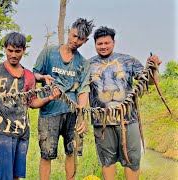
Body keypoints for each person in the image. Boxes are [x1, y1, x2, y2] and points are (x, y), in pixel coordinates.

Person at [0, 32, 61, 180]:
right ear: (5, 48)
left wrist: (50, 98)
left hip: (22, 132)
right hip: (1, 132)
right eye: (10, 50)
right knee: (0, 176)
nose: (13, 55)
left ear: (23, 50)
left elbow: (32, 102)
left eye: (18, 51)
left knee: (16, 176)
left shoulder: (29, 76)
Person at [88, 26, 162, 180]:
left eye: (106, 43)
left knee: (132, 160)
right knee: (107, 161)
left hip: (129, 119)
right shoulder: (87, 65)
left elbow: (149, 82)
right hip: (102, 122)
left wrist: (153, 68)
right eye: (99, 44)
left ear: (113, 42)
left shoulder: (129, 61)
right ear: (95, 44)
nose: (103, 46)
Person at [33, 18, 94, 180]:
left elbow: (83, 90)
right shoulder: (48, 53)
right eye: (74, 36)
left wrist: (82, 117)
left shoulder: (83, 63)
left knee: (71, 152)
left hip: (72, 113)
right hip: (49, 112)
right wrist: (42, 77)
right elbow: (34, 74)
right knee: (46, 154)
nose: (76, 41)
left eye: (80, 39)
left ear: (85, 40)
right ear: (69, 32)